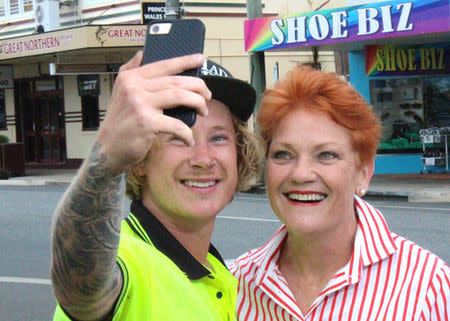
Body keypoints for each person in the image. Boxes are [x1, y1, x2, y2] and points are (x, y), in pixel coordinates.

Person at [50, 52, 263, 321]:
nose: (203, 159)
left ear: (239, 153)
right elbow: (79, 284)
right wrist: (108, 159)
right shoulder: (126, 260)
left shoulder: (222, 275)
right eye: (177, 137)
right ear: (139, 159)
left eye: (218, 137)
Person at [230, 66, 449, 321]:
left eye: (326, 155)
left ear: (363, 172)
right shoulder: (237, 283)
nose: (301, 174)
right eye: (283, 154)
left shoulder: (429, 289)